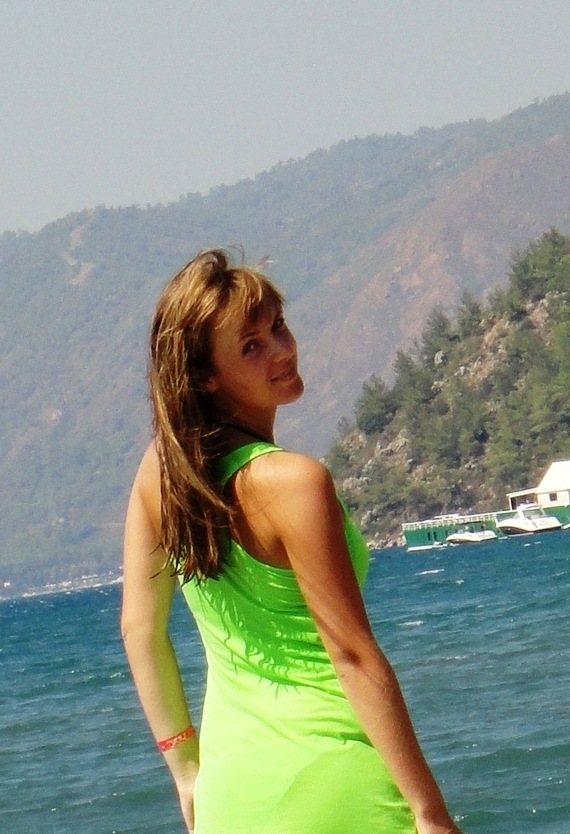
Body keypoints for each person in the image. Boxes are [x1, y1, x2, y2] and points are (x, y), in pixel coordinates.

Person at [121, 249, 462, 834]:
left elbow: (139, 631)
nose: (282, 349)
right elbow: (351, 655)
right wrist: (430, 814)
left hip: (231, 795)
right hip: (337, 782)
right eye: (251, 346)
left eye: (277, 326)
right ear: (205, 376)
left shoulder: (163, 475)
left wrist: (186, 771)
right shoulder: (295, 483)